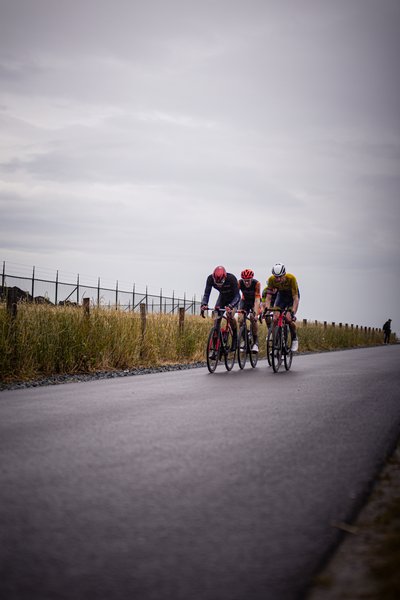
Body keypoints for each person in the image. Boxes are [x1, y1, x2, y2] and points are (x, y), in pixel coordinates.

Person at [201, 266, 240, 354]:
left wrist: (231, 306)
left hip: (233, 299)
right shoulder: (210, 279)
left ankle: (235, 338)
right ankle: (215, 347)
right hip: (222, 298)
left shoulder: (231, 278)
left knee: (230, 316)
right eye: (217, 283)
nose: (219, 285)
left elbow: (237, 296)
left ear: (225, 277)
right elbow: (206, 294)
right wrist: (204, 304)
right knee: (216, 319)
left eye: (221, 283)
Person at [263, 263, 300, 352]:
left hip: (291, 298)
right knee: (275, 319)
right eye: (276, 277)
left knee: (288, 319)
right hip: (281, 297)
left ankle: (294, 337)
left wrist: (293, 313)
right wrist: (267, 310)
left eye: (280, 277)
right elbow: (268, 298)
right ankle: (276, 344)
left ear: (284, 274)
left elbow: (295, 299)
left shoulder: (291, 279)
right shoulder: (271, 280)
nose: (278, 279)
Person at [237, 269, 261, 352]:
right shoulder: (239, 283)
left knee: (252, 317)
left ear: (251, 279)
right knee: (240, 319)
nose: (246, 283)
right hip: (245, 301)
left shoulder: (256, 283)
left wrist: (256, 314)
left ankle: (255, 343)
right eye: (245, 281)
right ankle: (244, 339)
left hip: (254, 301)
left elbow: (257, 300)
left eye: (248, 281)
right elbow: (236, 295)